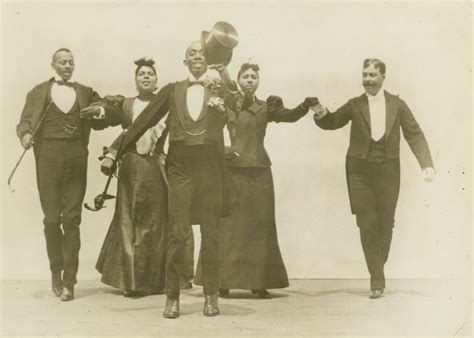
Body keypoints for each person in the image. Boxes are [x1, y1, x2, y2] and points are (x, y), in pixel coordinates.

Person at [101, 41, 232, 318]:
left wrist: (224, 100)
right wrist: (116, 151)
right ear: (185, 61)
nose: (198, 57)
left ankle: (211, 295)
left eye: (202, 53)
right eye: (192, 54)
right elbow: (144, 120)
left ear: (209, 59)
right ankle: (172, 298)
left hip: (210, 167)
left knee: (211, 233)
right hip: (181, 167)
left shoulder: (219, 86)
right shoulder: (173, 90)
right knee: (177, 232)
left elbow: (235, 115)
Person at [194, 62, 318, 298]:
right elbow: (209, 126)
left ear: (258, 81)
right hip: (232, 171)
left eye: (254, 77)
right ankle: (222, 282)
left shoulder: (266, 107)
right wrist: (223, 150)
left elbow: (289, 116)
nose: (250, 80)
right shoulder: (227, 103)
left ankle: (259, 282)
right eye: (246, 76)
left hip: (260, 172)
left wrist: (305, 105)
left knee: (259, 228)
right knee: (227, 226)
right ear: (239, 80)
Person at [313, 58, 435, 299]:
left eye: (372, 75)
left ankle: (376, 268)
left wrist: (427, 164)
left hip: (389, 172)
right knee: (367, 224)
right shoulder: (355, 104)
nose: (367, 79)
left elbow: (415, 134)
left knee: (385, 224)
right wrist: (319, 110)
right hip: (359, 171)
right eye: (364, 74)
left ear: (383, 77)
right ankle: (377, 280)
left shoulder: (398, 105)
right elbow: (332, 122)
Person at [16, 48, 121, 301]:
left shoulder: (85, 92)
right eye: (62, 62)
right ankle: (56, 272)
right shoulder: (38, 91)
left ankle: (69, 281)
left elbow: (109, 112)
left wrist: (99, 111)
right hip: (47, 157)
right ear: (53, 65)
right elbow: (24, 122)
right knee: (52, 220)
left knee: (72, 219)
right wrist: (26, 135)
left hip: (76, 158)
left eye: (71, 62)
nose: (67, 66)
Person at [95, 58, 169, 297]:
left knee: (154, 223)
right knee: (129, 221)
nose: (146, 77)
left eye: (150, 74)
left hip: (155, 166)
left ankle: (153, 281)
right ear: (136, 80)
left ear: (156, 80)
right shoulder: (126, 105)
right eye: (141, 74)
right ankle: (131, 281)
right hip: (130, 167)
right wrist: (100, 111)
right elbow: (108, 114)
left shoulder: (165, 105)